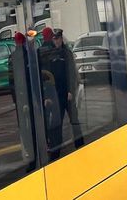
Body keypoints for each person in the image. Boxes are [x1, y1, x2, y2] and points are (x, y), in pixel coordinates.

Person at [39, 28, 83, 160]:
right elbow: (47, 75)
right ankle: (56, 150)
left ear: (61, 39)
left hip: (67, 93)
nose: (56, 41)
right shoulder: (51, 54)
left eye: (58, 39)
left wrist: (71, 90)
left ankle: (79, 144)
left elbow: (71, 73)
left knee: (74, 119)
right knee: (57, 124)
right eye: (54, 39)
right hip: (56, 93)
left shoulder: (66, 53)